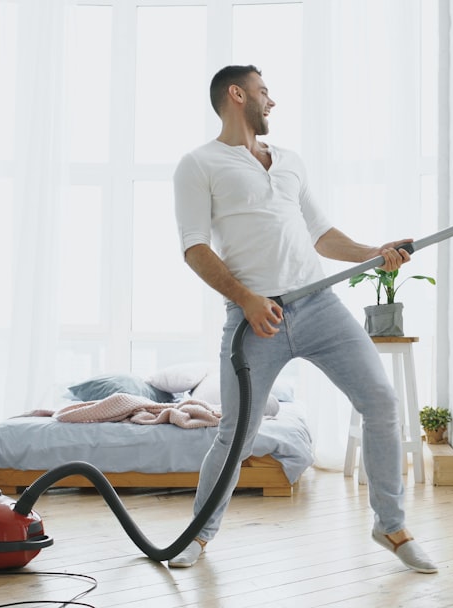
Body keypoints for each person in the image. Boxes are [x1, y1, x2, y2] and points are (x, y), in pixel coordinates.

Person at [171, 65, 437, 574]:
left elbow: (320, 235)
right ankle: (197, 535)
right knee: (235, 434)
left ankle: (391, 525)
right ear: (237, 94)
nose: (271, 101)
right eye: (263, 91)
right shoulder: (199, 164)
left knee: (381, 402)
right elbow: (195, 248)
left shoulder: (290, 162)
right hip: (256, 318)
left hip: (319, 306)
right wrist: (247, 299)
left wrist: (372, 252)